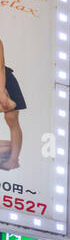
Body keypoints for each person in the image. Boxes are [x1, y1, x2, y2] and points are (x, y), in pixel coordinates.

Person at [0, 39, 25, 172]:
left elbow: (0, 65)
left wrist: (2, 92)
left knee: (11, 119)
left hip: (4, 80)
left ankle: (13, 159)